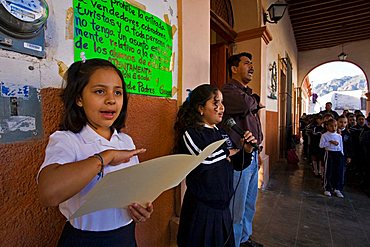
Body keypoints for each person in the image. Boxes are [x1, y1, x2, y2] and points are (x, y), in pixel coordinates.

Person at [37, 58, 153, 246]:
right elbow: (48, 193)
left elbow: (135, 191)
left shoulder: (125, 141)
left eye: (118, 92)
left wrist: (140, 210)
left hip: (125, 236)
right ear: (79, 99)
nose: (111, 100)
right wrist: (107, 157)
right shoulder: (67, 140)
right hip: (85, 240)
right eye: (100, 91)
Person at [174, 84, 257, 247]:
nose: (221, 108)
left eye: (222, 103)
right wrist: (228, 153)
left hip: (223, 210)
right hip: (202, 212)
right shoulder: (191, 133)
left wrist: (245, 151)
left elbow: (234, 163)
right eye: (215, 103)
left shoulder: (221, 132)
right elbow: (204, 159)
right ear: (201, 108)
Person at [221, 52, 264, 247]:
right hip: (240, 157)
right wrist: (254, 100)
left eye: (252, 63)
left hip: (253, 154)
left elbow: (251, 107)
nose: (251, 66)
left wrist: (259, 154)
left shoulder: (246, 93)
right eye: (247, 63)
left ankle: (245, 238)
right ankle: (234, 242)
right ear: (234, 68)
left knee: (249, 202)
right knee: (236, 206)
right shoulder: (228, 91)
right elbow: (248, 103)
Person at [319, 119, 345, 198]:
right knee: (329, 170)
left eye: (335, 126)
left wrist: (342, 153)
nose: (333, 128)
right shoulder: (324, 135)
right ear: (327, 126)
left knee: (338, 171)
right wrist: (330, 142)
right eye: (331, 126)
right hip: (329, 153)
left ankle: (337, 188)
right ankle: (327, 188)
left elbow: (341, 146)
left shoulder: (339, 136)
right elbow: (321, 145)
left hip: (338, 154)